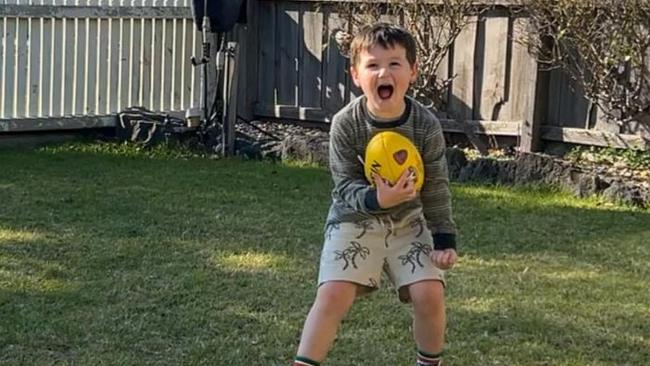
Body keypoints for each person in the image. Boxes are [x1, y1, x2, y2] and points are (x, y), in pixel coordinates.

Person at [292, 23, 458, 366]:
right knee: (333, 295)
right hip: (354, 218)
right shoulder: (346, 123)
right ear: (356, 75)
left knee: (430, 293)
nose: (384, 72)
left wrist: (443, 238)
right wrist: (377, 200)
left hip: (408, 219)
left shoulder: (425, 125)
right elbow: (344, 183)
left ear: (412, 72)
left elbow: (437, 183)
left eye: (395, 63)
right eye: (373, 65)